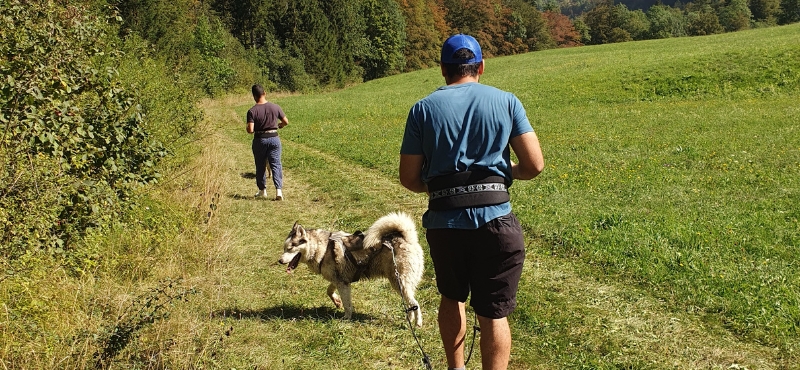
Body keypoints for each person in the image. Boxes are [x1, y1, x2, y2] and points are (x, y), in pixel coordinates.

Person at [398, 34, 544, 370]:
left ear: (443, 70)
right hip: (497, 223)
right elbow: (534, 164)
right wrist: (504, 173)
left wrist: (439, 187)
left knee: (452, 297)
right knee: (494, 314)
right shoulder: (507, 102)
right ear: (480, 66)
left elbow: (408, 178)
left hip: (446, 224)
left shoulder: (422, 109)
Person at [247, 84, 289, 200]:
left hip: (260, 140)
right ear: (264, 93)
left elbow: (250, 130)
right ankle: (279, 191)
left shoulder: (252, 111)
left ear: (254, 96)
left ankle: (262, 191)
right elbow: (286, 121)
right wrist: (280, 125)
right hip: (274, 138)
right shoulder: (275, 107)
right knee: (276, 164)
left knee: (260, 165)